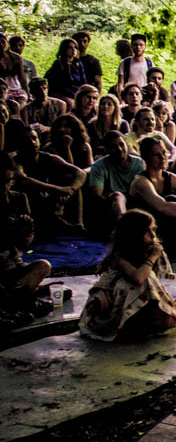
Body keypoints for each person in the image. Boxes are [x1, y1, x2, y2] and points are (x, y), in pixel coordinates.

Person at [79, 209, 176, 342]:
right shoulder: (118, 258)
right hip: (108, 314)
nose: (153, 235)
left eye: (153, 230)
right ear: (134, 235)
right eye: (147, 231)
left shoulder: (145, 254)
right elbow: (138, 278)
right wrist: (153, 257)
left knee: (149, 280)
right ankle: (128, 326)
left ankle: (145, 322)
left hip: (135, 308)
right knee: (143, 279)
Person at [0, 151, 53, 321]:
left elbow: (26, 244)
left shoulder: (19, 199)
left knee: (43, 266)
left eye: (8, 182)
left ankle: (17, 297)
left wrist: (24, 230)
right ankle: (22, 298)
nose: (5, 187)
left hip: (14, 268)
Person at [12, 128, 88, 235]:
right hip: (28, 204)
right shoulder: (15, 161)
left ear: (39, 140)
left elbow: (80, 173)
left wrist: (70, 190)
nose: (32, 142)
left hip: (49, 197)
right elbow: (24, 180)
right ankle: (57, 224)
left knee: (73, 182)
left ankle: (79, 223)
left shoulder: (48, 157)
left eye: (34, 138)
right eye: (26, 140)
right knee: (32, 191)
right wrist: (58, 190)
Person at [87, 130, 144, 228]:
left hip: (138, 202)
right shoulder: (99, 166)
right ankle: (124, 228)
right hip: (111, 205)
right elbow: (96, 194)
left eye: (121, 144)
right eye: (113, 147)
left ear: (127, 144)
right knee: (118, 196)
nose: (119, 149)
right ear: (107, 150)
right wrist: (113, 199)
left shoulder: (140, 164)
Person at [44, 38, 88, 105]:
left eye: (75, 47)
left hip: (76, 92)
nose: (73, 50)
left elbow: (83, 82)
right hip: (61, 93)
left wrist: (84, 93)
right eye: (70, 48)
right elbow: (60, 85)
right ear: (64, 49)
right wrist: (75, 95)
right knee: (71, 104)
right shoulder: (58, 64)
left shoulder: (78, 64)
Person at [0, 33, 29, 106]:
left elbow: (22, 78)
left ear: (7, 43)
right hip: (2, 91)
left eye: (3, 41)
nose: (1, 44)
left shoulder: (16, 57)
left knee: (22, 105)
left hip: (17, 89)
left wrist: (28, 94)